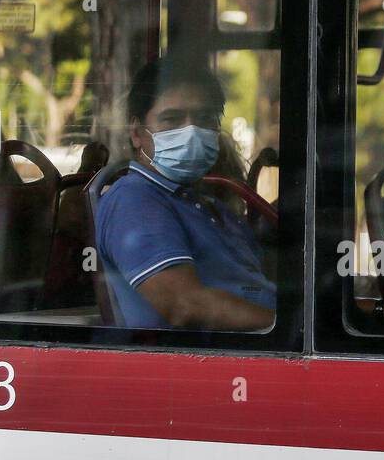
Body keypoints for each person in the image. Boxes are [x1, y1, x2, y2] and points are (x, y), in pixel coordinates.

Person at [96, 56, 274, 331]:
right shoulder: (135, 200)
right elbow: (186, 306)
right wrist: (288, 328)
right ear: (136, 133)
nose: (191, 132)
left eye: (204, 119)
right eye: (172, 119)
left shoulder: (205, 203)